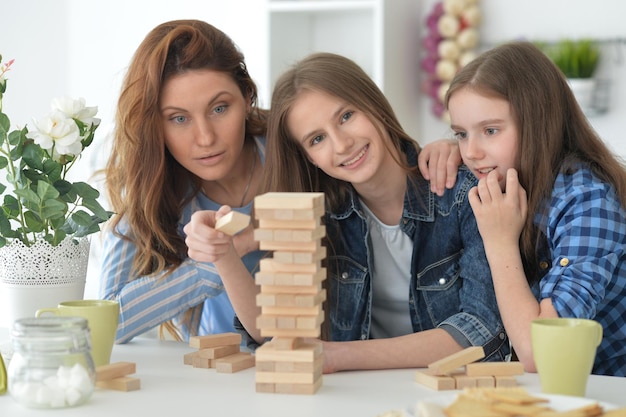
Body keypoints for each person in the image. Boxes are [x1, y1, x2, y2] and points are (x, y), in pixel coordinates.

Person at [187, 51, 509, 373]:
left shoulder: (464, 194)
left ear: (373, 104)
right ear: (309, 158)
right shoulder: (320, 215)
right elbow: (272, 330)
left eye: (346, 117)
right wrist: (224, 254)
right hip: (355, 396)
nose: (341, 145)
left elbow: (479, 331)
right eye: (317, 139)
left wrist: (338, 356)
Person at [438, 41, 626, 376]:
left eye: (490, 130)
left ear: (538, 123)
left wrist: (500, 242)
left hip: (606, 388)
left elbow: (540, 354)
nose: (472, 152)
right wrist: (442, 150)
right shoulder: (501, 177)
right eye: (461, 134)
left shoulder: (588, 201)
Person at [99, 19, 268, 343]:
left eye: (219, 108)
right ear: (154, 126)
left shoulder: (294, 145)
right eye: (179, 118)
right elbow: (107, 322)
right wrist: (221, 257)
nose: (205, 138)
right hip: (214, 368)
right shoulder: (151, 185)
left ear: (246, 97)